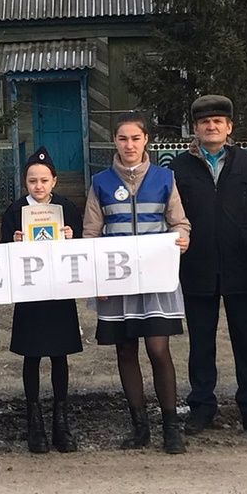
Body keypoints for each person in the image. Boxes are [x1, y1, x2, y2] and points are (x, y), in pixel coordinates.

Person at [83, 115, 191, 454]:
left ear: (146, 140)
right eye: (123, 139)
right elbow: (91, 233)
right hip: (117, 280)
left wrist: (182, 238)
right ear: (114, 141)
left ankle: (171, 426)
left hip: (156, 279)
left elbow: (179, 222)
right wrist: (96, 276)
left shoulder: (164, 178)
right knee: (125, 350)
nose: (129, 145)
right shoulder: (100, 181)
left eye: (135, 138)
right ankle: (139, 425)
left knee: (158, 349)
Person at [170, 94, 247, 437]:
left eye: (218, 121)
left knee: (246, 341)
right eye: (204, 122)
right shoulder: (179, 167)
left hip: (242, 266)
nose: (211, 126)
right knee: (201, 342)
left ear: (229, 127)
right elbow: (170, 214)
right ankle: (201, 407)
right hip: (197, 266)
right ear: (196, 129)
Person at [0, 147, 84, 452]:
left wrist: (72, 238)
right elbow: (3, 253)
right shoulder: (15, 211)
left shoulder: (66, 208)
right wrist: (15, 243)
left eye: (44, 180)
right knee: (31, 355)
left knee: (59, 355)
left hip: (58, 291)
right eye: (32, 180)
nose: (38, 186)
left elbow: (81, 253)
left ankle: (60, 421)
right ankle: (34, 421)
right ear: (25, 183)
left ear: (54, 181)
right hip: (30, 293)